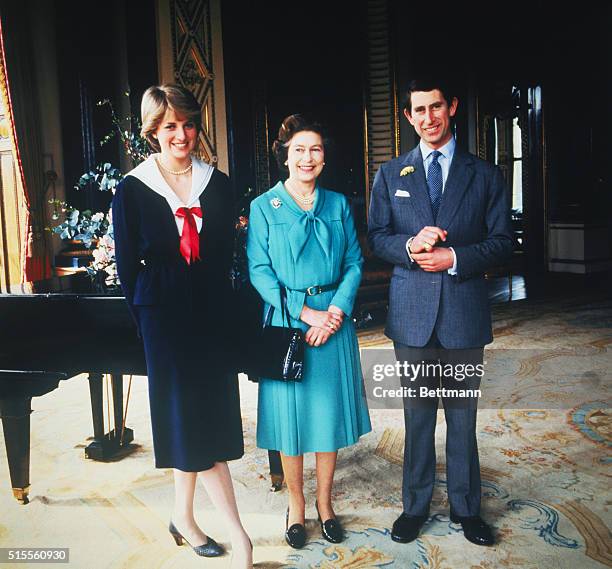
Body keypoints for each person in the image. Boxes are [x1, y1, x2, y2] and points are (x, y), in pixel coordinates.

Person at [368, 79, 513, 547]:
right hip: (411, 315)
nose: (428, 118)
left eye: (436, 107)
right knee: (417, 418)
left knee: (463, 418)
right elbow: (377, 237)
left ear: (451, 108)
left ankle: (466, 509)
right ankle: (415, 507)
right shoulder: (391, 174)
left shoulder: (486, 175)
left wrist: (456, 259)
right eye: (418, 111)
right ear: (407, 118)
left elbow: (502, 242)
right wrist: (410, 246)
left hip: (463, 314)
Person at [112, 84, 252, 568]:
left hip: (211, 315)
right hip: (164, 319)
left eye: (189, 124)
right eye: (170, 125)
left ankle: (182, 518)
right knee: (190, 422)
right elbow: (128, 269)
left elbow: (226, 260)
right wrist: (147, 324)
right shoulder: (132, 189)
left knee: (200, 420)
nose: (181, 134)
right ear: (154, 131)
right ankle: (241, 538)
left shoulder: (220, 183)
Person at [247, 114, 371, 549]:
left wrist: (335, 310)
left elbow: (355, 261)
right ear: (284, 155)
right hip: (288, 323)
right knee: (291, 421)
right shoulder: (264, 206)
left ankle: (325, 504)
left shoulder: (338, 204)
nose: (307, 157)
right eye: (298, 149)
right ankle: (297, 506)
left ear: (324, 157)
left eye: (315, 149)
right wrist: (306, 313)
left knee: (327, 417)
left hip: (334, 321)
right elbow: (259, 272)